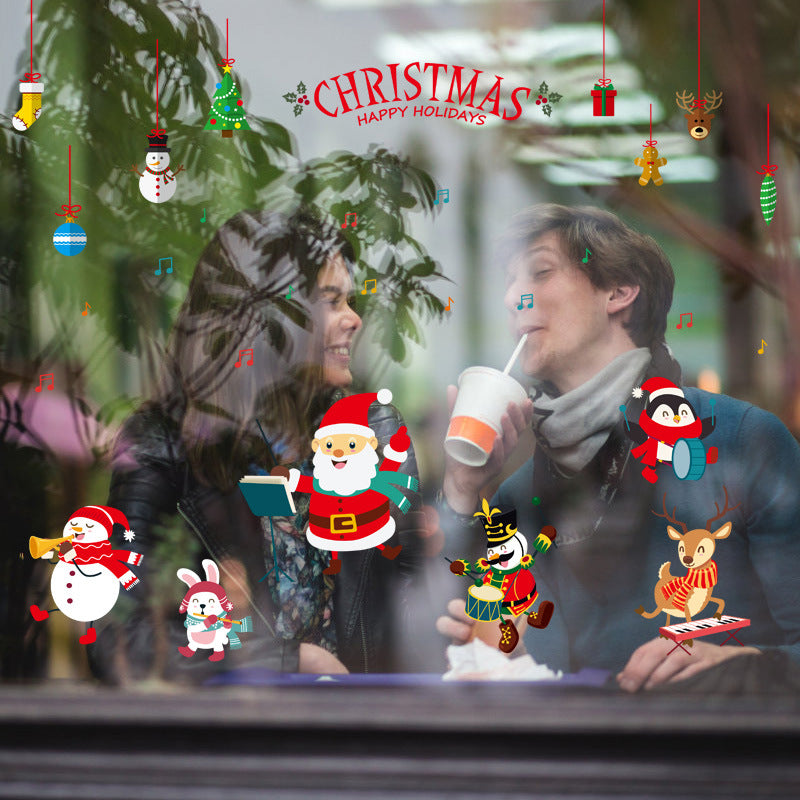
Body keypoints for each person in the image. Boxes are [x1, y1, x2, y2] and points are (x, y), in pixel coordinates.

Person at [436, 203, 800, 691]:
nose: (510, 298)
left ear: (620, 291)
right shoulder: (513, 497)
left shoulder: (742, 441)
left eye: (539, 271)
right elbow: (436, 642)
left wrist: (740, 665)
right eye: (507, 281)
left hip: (713, 758)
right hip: (573, 760)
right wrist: (462, 488)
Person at [90, 207, 425, 682]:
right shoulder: (162, 443)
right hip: (232, 738)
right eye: (332, 301)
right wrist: (282, 660)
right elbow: (118, 636)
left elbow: (416, 592)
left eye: (350, 302)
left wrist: (466, 490)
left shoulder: (372, 432)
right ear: (268, 317)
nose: (355, 320)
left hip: (359, 732)